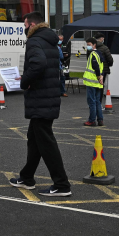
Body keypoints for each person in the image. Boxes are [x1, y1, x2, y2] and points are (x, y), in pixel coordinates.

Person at [8, 12, 71, 197]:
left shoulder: (34, 41)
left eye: (25, 25)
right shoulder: (49, 39)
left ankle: (62, 184)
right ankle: (27, 177)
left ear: (32, 24)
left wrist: (24, 81)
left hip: (40, 98)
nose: (24, 28)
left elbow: (39, 64)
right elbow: (45, 66)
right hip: (49, 96)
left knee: (46, 142)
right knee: (34, 138)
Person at [82, 38, 105, 127]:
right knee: (97, 102)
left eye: (89, 44)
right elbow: (102, 66)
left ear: (94, 44)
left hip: (92, 82)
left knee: (91, 102)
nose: (88, 46)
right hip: (98, 82)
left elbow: (96, 67)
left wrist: (99, 76)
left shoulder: (93, 54)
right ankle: (100, 120)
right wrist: (101, 77)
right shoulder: (99, 54)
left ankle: (91, 120)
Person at [94, 32, 113, 104]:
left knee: (94, 87)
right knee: (100, 87)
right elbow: (110, 59)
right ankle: (99, 103)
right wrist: (109, 65)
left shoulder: (92, 47)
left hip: (93, 71)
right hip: (103, 71)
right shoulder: (104, 48)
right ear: (101, 39)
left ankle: (93, 103)